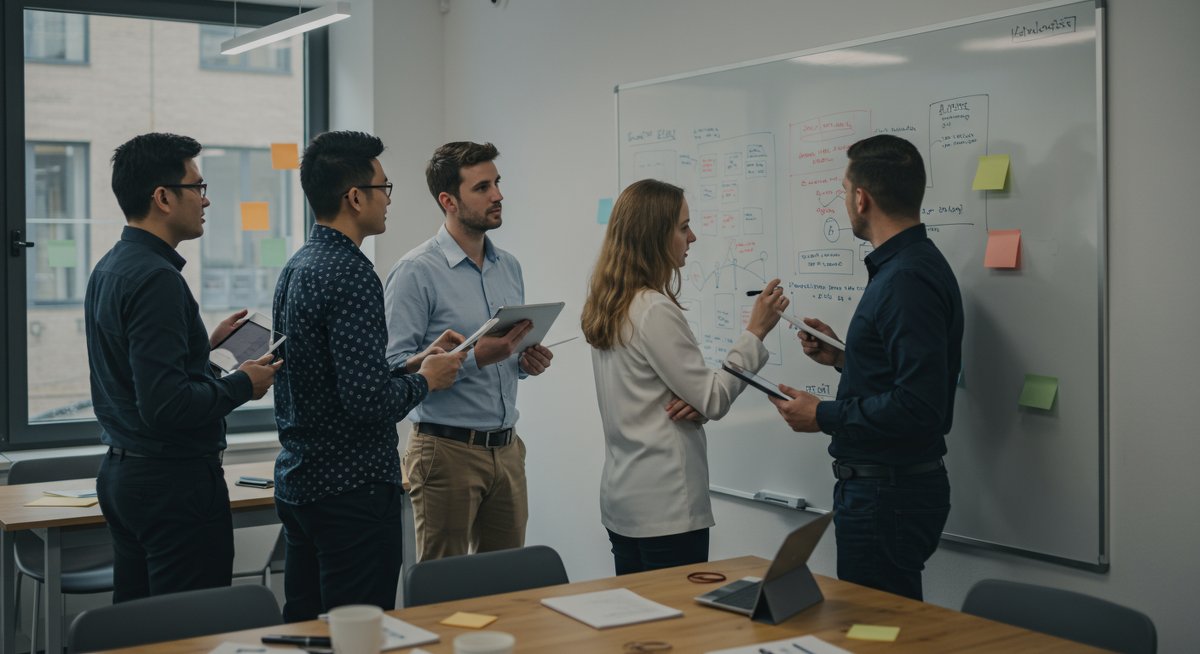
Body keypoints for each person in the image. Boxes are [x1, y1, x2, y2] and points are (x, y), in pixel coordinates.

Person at [271, 131, 465, 621]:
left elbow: (333, 376)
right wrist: (429, 381)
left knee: (308, 631)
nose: (388, 200)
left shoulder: (299, 265)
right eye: (384, 188)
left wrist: (411, 362)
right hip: (351, 493)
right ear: (355, 197)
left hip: (302, 484)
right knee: (359, 632)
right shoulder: (352, 273)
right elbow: (366, 403)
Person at [86, 132, 281, 601]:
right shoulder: (157, 280)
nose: (206, 199)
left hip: (126, 476)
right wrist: (242, 383)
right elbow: (166, 406)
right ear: (163, 197)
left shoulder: (111, 267)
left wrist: (201, 349)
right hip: (172, 485)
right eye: (197, 186)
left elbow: (137, 377)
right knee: (189, 630)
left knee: (139, 630)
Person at [768, 134, 964, 601]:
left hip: (887, 495)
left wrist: (823, 415)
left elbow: (919, 405)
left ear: (861, 197)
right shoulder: (907, 266)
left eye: (842, 190)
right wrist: (843, 355)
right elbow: (902, 375)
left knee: (876, 634)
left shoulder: (906, 278)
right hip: (887, 492)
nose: (844, 202)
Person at [580, 178, 790, 574]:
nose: (692, 237)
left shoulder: (609, 303)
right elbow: (712, 398)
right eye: (682, 227)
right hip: (666, 505)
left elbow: (673, 395)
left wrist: (697, 399)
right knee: (679, 627)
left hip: (624, 499)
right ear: (654, 235)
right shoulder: (653, 308)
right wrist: (755, 332)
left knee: (642, 626)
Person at [384, 141, 552, 562]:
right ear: (449, 201)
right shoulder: (414, 272)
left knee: (506, 585)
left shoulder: (509, 267)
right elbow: (391, 372)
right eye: (482, 188)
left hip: (508, 449)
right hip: (445, 453)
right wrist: (479, 357)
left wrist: (525, 360)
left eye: (496, 183)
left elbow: (507, 357)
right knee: (444, 592)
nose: (497, 195)